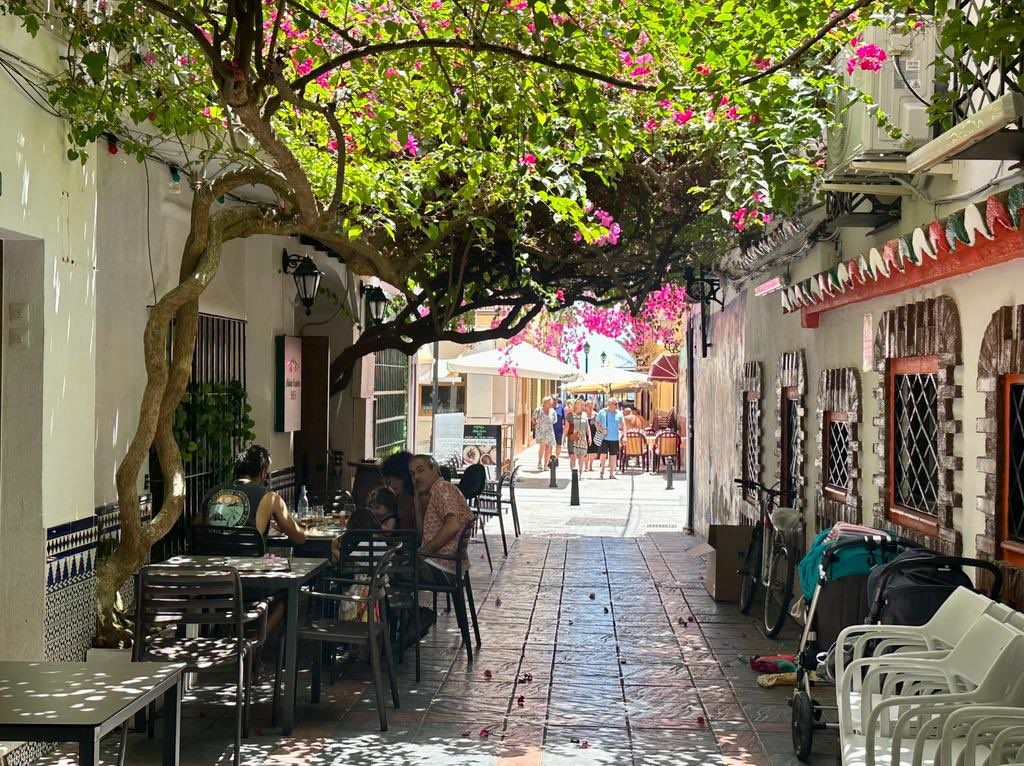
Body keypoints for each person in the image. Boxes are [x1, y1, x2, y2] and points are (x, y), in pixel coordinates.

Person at [202, 444, 306, 544]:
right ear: (263, 473)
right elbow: (299, 537)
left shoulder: (214, 491)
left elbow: (196, 530)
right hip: (246, 555)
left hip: (208, 554)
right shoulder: (271, 497)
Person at [330, 486, 399, 561]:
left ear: (389, 506)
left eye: (378, 507)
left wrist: (334, 550)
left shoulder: (391, 519)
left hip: (376, 550)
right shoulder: (377, 519)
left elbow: (388, 532)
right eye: (372, 507)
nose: (374, 510)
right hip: (377, 551)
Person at [381, 450, 417, 531]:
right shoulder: (392, 500)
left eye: (397, 478)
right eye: (389, 478)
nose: (392, 483)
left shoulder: (416, 502)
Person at [596, 398, 625, 479]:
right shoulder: (602, 412)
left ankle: (611, 474)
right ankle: (602, 469)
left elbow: (623, 425)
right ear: (610, 404)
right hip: (604, 438)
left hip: (615, 438)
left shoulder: (619, 413)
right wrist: (601, 430)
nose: (617, 405)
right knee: (603, 454)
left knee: (613, 456)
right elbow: (596, 423)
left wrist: (625, 435)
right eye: (615, 404)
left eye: (617, 404)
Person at [565, 398, 591, 475]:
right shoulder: (570, 415)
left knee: (581, 456)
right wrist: (564, 437)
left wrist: (589, 437)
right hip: (572, 437)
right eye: (581, 404)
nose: (582, 406)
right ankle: (573, 473)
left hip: (582, 437)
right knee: (573, 456)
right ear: (576, 405)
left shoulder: (584, 414)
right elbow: (566, 427)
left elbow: (587, 427)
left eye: (583, 405)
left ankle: (580, 472)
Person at [532, 396, 557, 470]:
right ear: (544, 403)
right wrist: (536, 423)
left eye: (551, 403)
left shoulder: (553, 411)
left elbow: (554, 421)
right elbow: (533, 418)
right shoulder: (538, 410)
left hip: (549, 431)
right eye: (549, 403)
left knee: (548, 448)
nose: (550, 404)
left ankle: (546, 465)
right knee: (542, 446)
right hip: (541, 431)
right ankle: (540, 462)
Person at [584, 399, 599, 472]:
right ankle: (586, 466)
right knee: (585, 451)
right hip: (585, 434)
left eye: (591, 406)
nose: (590, 408)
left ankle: (590, 465)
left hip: (594, 434)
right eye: (588, 406)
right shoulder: (583, 415)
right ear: (585, 407)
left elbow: (599, 424)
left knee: (592, 451)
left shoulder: (596, 415)